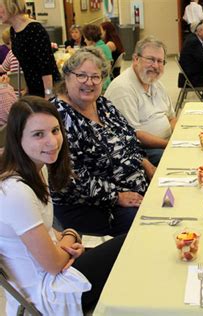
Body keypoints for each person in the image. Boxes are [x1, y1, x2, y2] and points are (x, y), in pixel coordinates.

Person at [0, 96, 126, 315]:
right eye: (38, 134)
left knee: (129, 250)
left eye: (55, 130)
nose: (52, 142)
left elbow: (47, 230)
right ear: (17, 139)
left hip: (54, 268)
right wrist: (71, 236)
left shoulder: (39, 168)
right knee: (131, 245)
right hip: (49, 290)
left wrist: (65, 240)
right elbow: (53, 264)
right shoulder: (15, 192)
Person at [50, 47, 155, 236]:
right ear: (66, 77)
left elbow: (129, 136)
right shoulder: (57, 116)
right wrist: (116, 196)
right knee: (149, 226)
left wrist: (146, 164)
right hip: (93, 204)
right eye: (81, 75)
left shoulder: (102, 103)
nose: (89, 82)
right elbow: (69, 177)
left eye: (96, 77)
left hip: (133, 188)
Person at [105, 36, 176, 166]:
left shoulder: (155, 83)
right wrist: (170, 145)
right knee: (180, 162)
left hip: (166, 143)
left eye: (160, 61)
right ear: (136, 59)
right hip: (142, 151)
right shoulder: (123, 89)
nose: (156, 66)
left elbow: (171, 117)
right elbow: (133, 135)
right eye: (150, 59)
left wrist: (179, 138)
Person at [0, 0, 60, 98]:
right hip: (33, 88)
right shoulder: (13, 31)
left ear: (10, 6)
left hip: (48, 88)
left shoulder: (35, 29)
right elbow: (26, 64)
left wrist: (49, 95)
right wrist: (27, 89)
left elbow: (46, 68)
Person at [82, 24, 113, 90]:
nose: (84, 40)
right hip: (107, 81)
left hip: (100, 84)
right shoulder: (106, 47)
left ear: (90, 38)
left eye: (85, 38)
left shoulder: (94, 51)